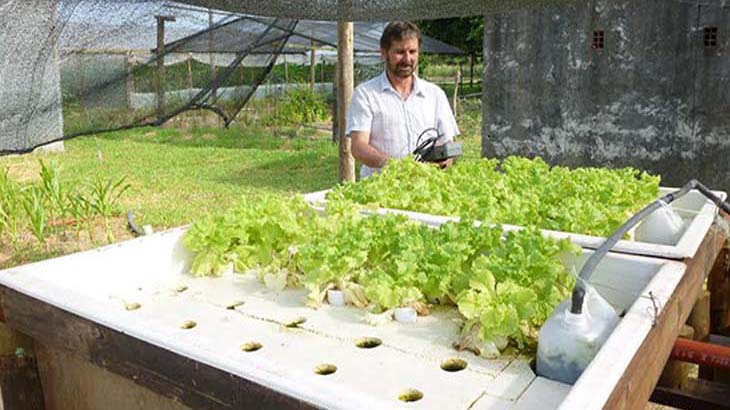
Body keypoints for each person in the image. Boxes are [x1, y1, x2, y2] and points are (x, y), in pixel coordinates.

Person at [346, 21, 460, 179]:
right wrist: (396, 167)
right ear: (384, 53)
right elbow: (358, 147)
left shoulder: (434, 94)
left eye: (412, 51)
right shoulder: (366, 94)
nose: (407, 59)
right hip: (381, 187)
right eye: (400, 52)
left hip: (427, 186)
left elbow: (448, 142)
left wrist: (447, 158)